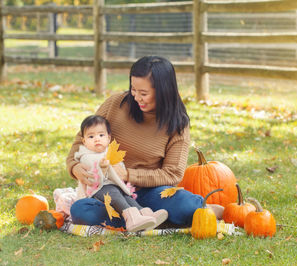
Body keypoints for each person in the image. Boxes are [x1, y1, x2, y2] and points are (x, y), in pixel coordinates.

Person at [67, 55, 224, 229]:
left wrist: (128, 175)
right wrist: (75, 167)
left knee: (185, 205)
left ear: (164, 91)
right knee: (81, 211)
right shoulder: (115, 104)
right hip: (110, 191)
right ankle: (148, 217)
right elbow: (80, 142)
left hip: (150, 192)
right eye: (133, 89)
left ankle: (146, 216)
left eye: (143, 93)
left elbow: (172, 174)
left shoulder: (177, 124)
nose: (136, 97)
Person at [73, 115, 168, 232]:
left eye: (101, 135)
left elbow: (119, 170)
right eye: (91, 136)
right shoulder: (87, 158)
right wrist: (102, 169)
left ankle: (145, 215)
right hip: (98, 189)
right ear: (84, 141)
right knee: (115, 195)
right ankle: (132, 219)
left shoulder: (110, 152)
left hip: (116, 186)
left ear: (108, 138)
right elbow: (93, 181)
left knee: (127, 198)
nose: (97, 139)